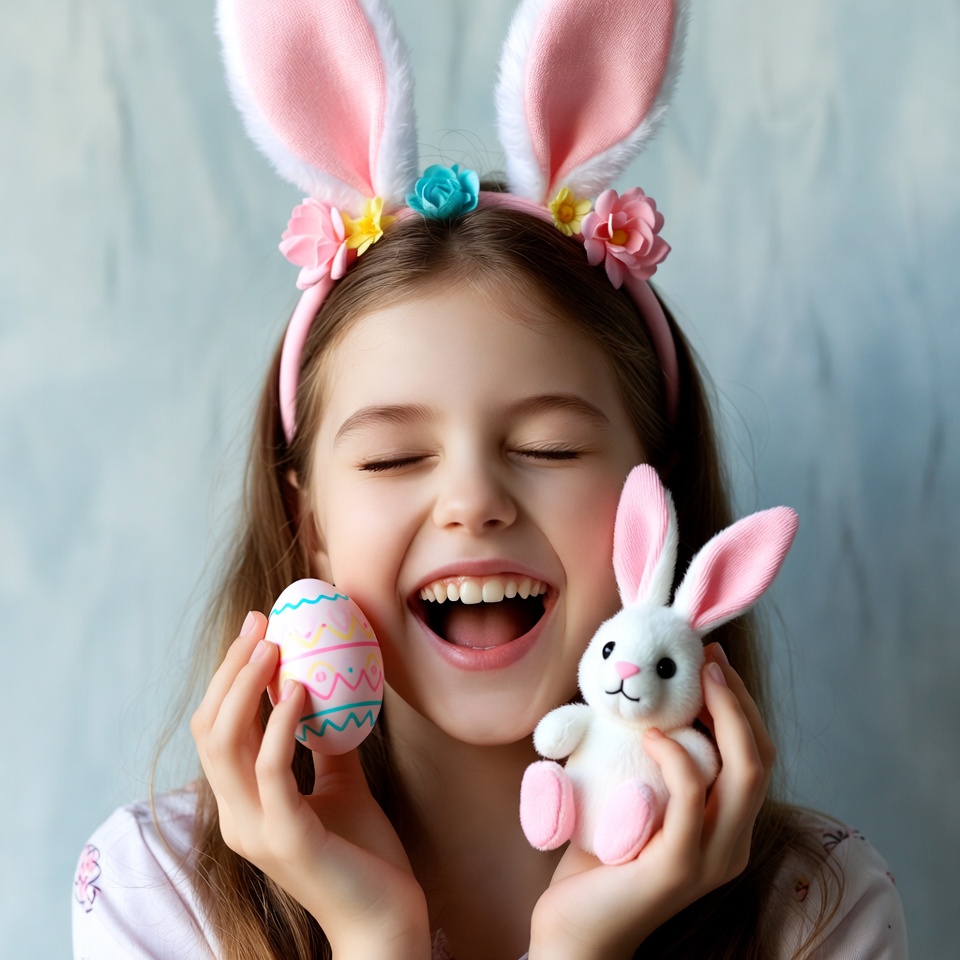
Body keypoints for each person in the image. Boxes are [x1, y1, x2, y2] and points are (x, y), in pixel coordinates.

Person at [72, 1, 908, 958]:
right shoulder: (159, 898)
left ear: (658, 514)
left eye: (549, 448)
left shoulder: (817, 912)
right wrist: (372, 938)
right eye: (393, 458)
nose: (474, 502)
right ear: (311, 529)